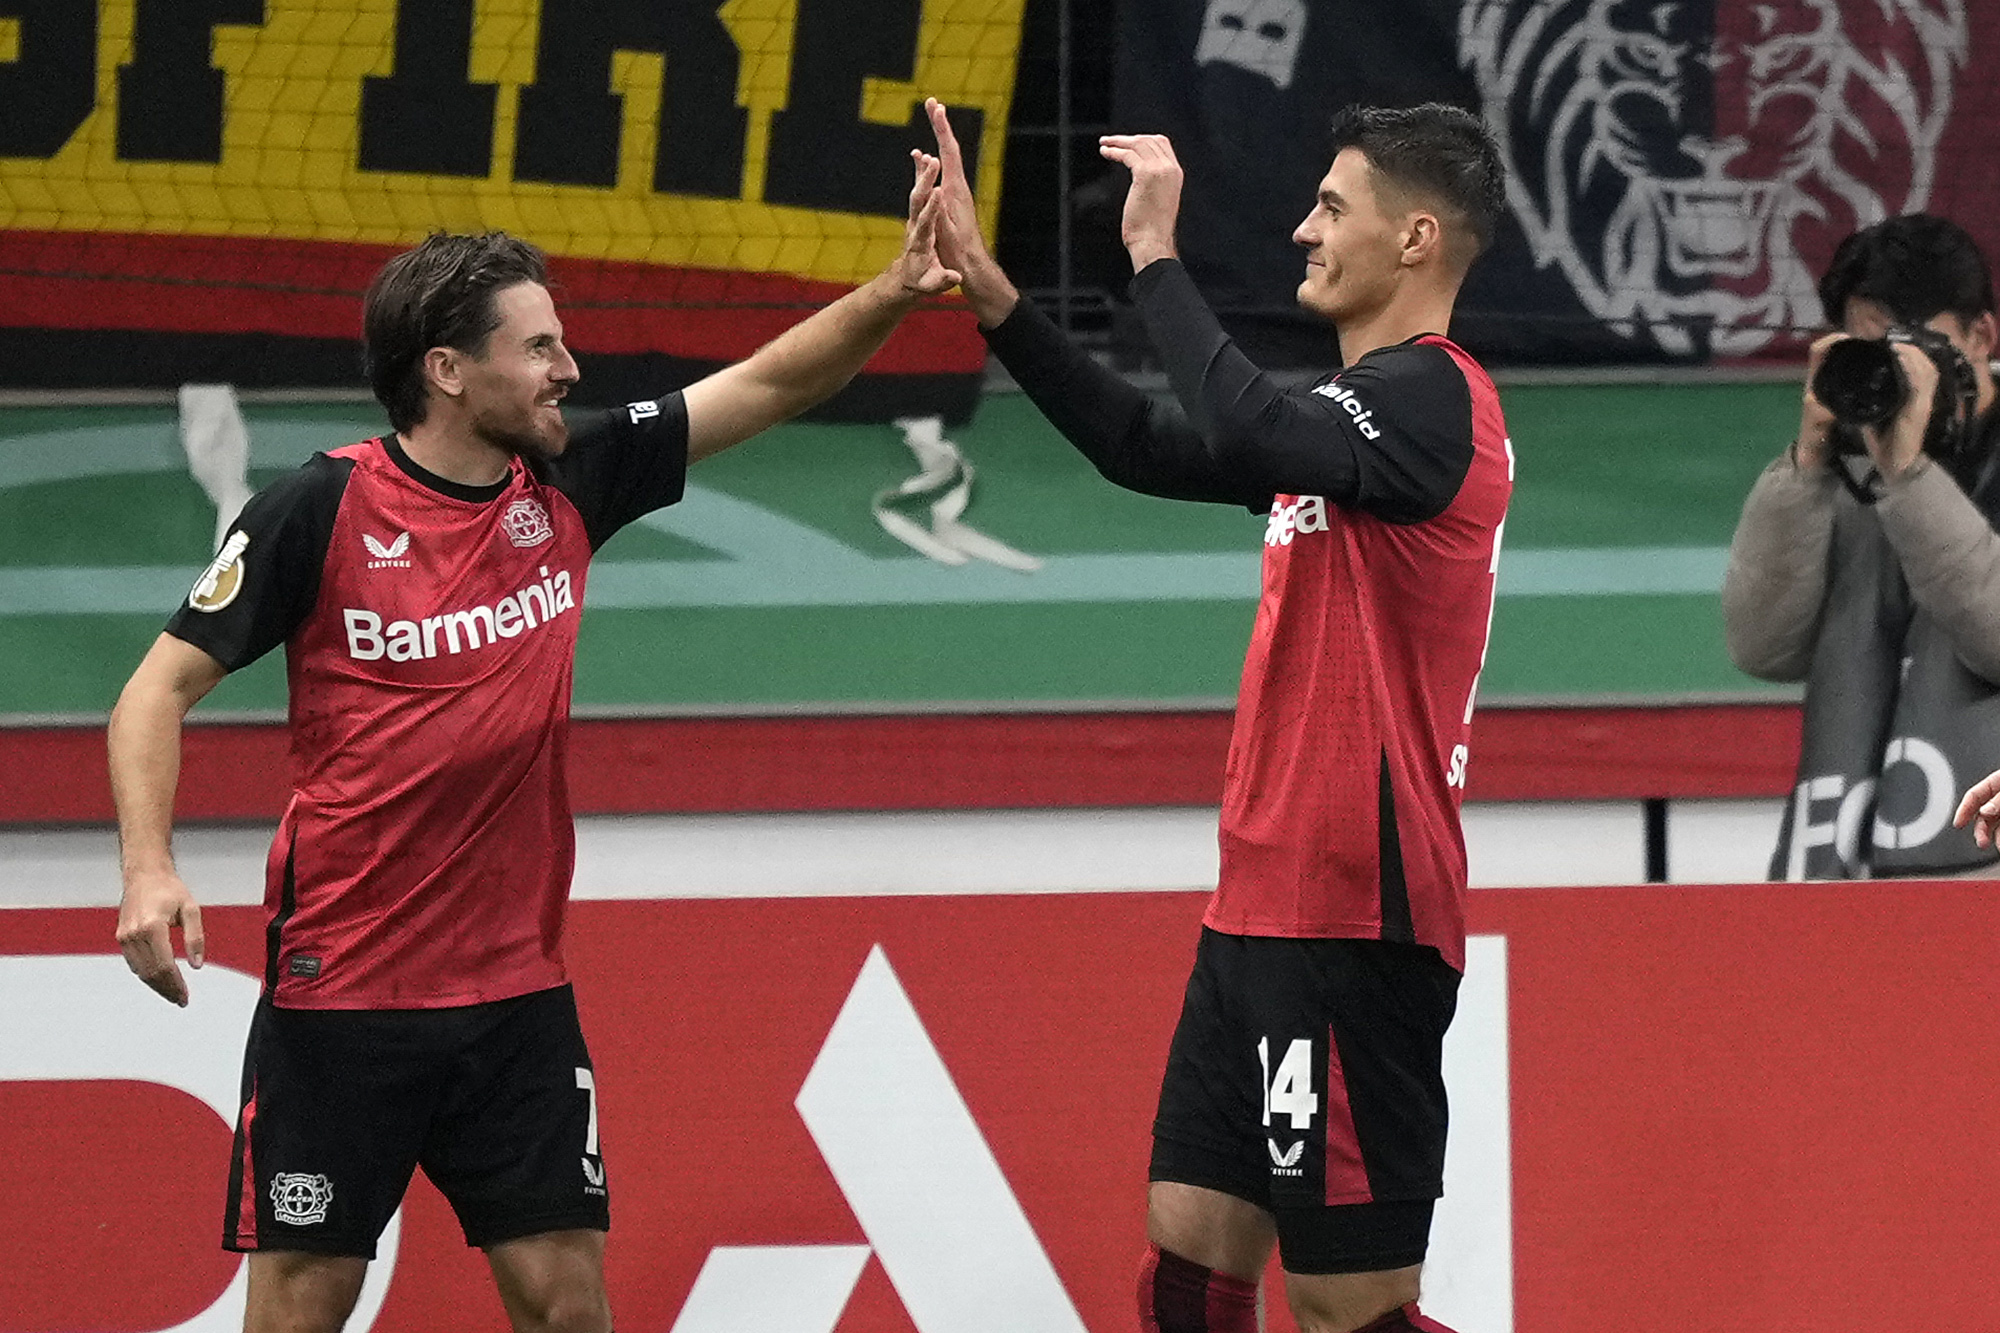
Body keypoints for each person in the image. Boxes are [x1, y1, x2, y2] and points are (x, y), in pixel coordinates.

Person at [108, 154, 961, 1333]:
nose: (568, 367)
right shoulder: (320, 507)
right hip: (342, 993)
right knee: (303, 1304)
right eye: (538, 347)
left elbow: (763, 384)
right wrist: (149, 868)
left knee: (567, 1301)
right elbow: (153, 692)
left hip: (514, 997)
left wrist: (898, 288)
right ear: (447, 371)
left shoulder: (568, 476)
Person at [925, 99, 1509, 1333]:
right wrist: (991, 297)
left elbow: (1241, 419)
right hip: (1258, 904)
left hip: (1357, 914)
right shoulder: (1349, 426)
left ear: (1414, 241)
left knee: (1353, 1310)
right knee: (1187, 1280)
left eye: (1330, 208)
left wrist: (1153, 254)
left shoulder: (1433, 401)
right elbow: (1141, 442)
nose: (1302, 230)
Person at [1722, 215, 2000, 880]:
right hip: (1837, 877)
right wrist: (1806, 466)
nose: (1889, 372)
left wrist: (1909, 479)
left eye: (1909, 350)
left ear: (1980, 334)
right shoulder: (1852, 465)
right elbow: (1763, 644)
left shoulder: (1895, 470)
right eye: (1865, 348)